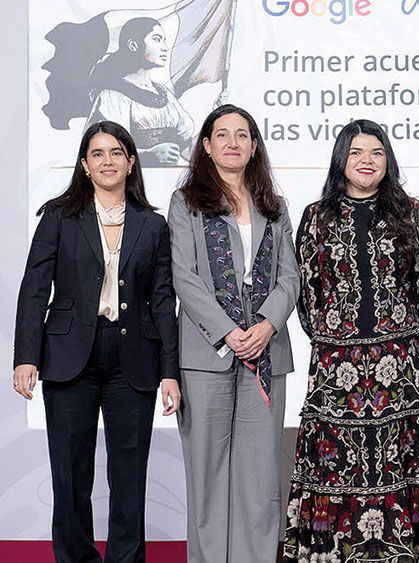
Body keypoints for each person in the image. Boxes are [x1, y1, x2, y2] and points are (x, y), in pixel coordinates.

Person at [13, 120, 180, 562]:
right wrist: (26, 357)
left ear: (131, 162)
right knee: (70, 477)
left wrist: (170, 371)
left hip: (133, 359)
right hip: (69, 357)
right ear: (85, 165)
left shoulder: (152, 225)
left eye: (116, 153)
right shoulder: (58, 217)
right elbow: (34, 290)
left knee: (129, 478)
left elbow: (164, 300)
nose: (108, 161)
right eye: (97, 154)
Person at [285, 119, 419, 562]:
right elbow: (306, 294)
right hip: (336, 372)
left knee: (402, 466)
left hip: (399, 370)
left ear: (387, 160)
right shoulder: (315, 218)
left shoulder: (412, 213)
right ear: (341, 159)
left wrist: (395, 336)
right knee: (334, 468)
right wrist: (336, 340)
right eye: (356, 152)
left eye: (376, 152)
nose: (367, 161)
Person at [168, 104, 299, 563]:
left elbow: (290, 277)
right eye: (222, 134)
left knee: (259, 480)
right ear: (206, 145)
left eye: (242, 135)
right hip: (207, 357)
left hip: (266, 354)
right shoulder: (186, 202)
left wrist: (266, 325)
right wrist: (228, 331)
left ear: (254, 145)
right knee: (207, 477)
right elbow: (184, 276)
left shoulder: (274, 206)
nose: (232, 142)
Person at [87, 17, 194, 166]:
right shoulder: (112, 96)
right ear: (133, 45)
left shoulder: (163, 93)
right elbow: (107, 150)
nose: (165, 47)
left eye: (164, 41)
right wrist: (149, 156)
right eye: (157, 39)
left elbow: (186, 142)